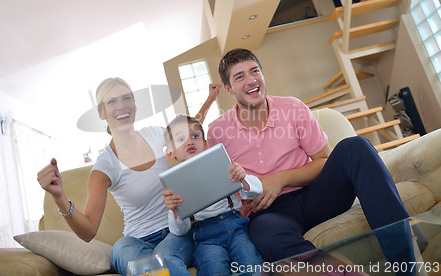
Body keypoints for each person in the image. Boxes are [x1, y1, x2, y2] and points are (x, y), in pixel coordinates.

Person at [206, 48, 415, 274]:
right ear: (227, 88)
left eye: (254, 71)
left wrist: (280, 179)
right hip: (270, 214)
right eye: (240, 76)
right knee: (265, 233)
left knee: (356, 146)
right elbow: (221, 190)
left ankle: (406, 264)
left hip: (315, 195)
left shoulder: (292, 108)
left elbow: (324, 160)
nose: (251, 80)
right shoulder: (217, 131)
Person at [37, 78, 217, 276]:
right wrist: (59, 197)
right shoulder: (105, 166)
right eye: (112, 102)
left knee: (162, 260)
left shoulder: (156, 135)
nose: (121, 106)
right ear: (101, 113)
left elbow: (188, 129)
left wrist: (210, 99)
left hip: (175, 231)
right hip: (135, 240)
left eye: (127, 98)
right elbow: (88, 231)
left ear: (134, 105)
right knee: (121, 249)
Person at [162, 114, 264, 276]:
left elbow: (257, 190)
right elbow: (180, 231)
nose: (189, 141)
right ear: (171, 153)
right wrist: (174, 211)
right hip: (205, 239)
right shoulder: (175, 186)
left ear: (205, 143)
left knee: (253, 265)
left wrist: (243, 179)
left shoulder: (222, 164)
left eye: (195, 136)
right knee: (213, 269)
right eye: (181, 139)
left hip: (236, 229)